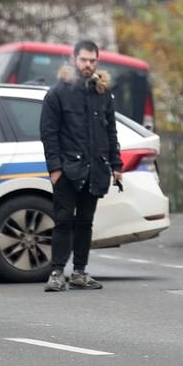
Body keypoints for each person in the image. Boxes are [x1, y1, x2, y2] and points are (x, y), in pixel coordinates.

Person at [38, 40, 123, 292]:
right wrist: (55, 169)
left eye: (93, 60)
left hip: (95, 168)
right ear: (74, 59)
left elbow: (111, 133)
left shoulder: (102, 93)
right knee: (63, 221)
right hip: (67, 170)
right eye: (84, 59)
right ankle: (56, 272)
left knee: (85, 222)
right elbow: (49, 134)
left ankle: (79, 272)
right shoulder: (58, 93)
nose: (88, 64)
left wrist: (116, 165)